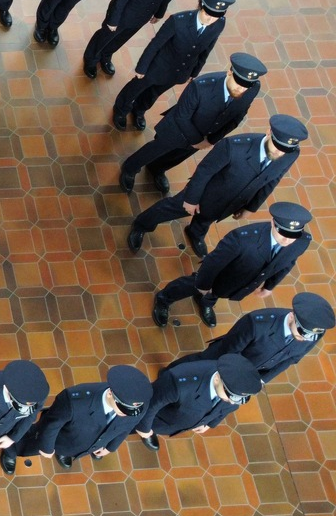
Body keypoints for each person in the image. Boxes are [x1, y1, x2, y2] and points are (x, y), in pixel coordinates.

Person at [127, 114, 307, 257]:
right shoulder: (233, 146)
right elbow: (204, 171)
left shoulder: (290, 154)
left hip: (231, 203)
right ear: (269, 132)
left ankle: (195, 232)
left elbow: (273, 180)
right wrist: (191, 199)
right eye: (277, 145)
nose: (279, 151)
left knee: (207, 219)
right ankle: (142, 224)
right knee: (171, 208)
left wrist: (251, 207)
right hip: (204, 194)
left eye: (285, 149)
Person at [119, 53, 264, 195]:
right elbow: (182, 116)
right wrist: (199, 141)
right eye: (238, 83)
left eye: (246, 87)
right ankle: (131, 167)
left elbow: (238, 115)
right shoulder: (201, 86)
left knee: (177, 157)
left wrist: (211, 140)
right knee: (155, 149)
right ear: (229, 73)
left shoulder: (252, 88)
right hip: (178, 130)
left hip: (205, 136)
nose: (241, 89)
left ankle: (157, 168)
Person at [151, 202, 313, 328]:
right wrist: (203, 284)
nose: (286, 240)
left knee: (220, 292)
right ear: (272, 222)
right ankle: (164, 298)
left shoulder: (301, 242)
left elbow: (288, 262)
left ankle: (206, 302)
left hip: (241, 282)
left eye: (292, 236)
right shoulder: (241, 239)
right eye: (282, 232)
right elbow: (213, 263)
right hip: (220, 274)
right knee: (193, 284)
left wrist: (270, 286)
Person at [113, 0, 234, 130]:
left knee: (154, 93)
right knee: (136, 88)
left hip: (179, 72)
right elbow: (155, 44)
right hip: (157, 66)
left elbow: (207, 49)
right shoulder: (178, 21)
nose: (211, 20)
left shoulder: (219, 24)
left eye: (216, 16)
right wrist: (142, 67)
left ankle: (139, 109)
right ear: (201, 6)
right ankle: (121, 109)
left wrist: (194, 72)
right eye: (208, 14)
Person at [2, 365, 151, 472]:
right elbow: (51, 425)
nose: (126, 414)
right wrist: (46, 448)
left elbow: (124, 429)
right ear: (111, 393)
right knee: (28, 443)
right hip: (60, 438)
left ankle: (65, 452)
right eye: (123, 408)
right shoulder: (74, 401)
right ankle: (10, 452)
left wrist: (110, 447)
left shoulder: (136, 406)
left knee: (71, 446)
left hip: (78, 444)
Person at [166, 292, 333, 384]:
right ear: (291, 317)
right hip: (224, 357)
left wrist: (262, 379)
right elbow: (232, 348)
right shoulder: (257, 323)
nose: (304, 338)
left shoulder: (314, 332)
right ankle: (168, 376)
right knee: (197, 365)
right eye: (302, 332)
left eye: (309, 335)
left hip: (248, 372)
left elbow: (292, 359)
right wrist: (231, 371)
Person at [134, 354, 262, 452]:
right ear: (217, 378)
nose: (231, 401)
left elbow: (227, 408)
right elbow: (151, 404)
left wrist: (210, 423)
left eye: (237, 398)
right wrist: (145, 430)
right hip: (157, 419)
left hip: (176, 422)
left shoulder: (232, 390)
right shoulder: (178, 383)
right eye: (230, 395)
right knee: (124, 424)